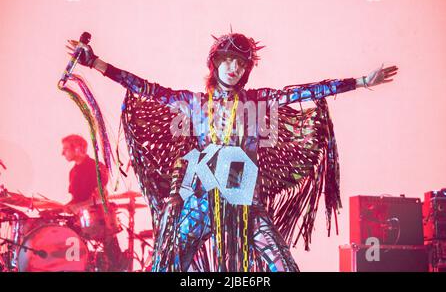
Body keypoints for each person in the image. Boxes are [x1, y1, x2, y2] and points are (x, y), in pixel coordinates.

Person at [67, 33, 397, 272]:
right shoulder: (194, 104)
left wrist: (361, 81)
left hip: (246, 208)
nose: (233, 69)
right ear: (216, 64)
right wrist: (96, 63)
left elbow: (305, 91)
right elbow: (145, 88)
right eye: (228, 61)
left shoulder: (258, 101)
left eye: (240, 64)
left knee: (285, 267)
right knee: (167, 266)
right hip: (201, 205)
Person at [61, 134, 125, 271]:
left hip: (99, 218)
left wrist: (77, 206)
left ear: (78, 149)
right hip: (80, 219)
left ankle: (116, 266)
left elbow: (101, 197)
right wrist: (66, 207)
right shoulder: (73, 172)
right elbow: (76, 200)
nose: (62, 153)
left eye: (66, 149)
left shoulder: (96, 167)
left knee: (112, 255)